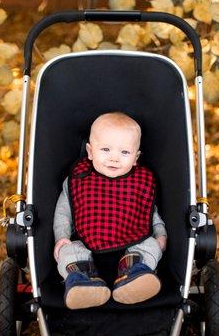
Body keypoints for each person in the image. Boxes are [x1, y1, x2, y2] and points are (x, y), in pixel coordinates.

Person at [53, 112, 167, 309]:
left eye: (124, 152)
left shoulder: (141, 181)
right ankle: (82, 280)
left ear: (136, 157)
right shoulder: (79, 178)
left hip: (133, 245)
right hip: (86, 245)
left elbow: (151, 212)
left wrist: (160, 234)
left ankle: (134, 276)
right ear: (90, 151)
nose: (114, 158)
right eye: (105, 149)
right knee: (68, 251)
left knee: (151, 246)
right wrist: (61, 237)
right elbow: (63, 211)